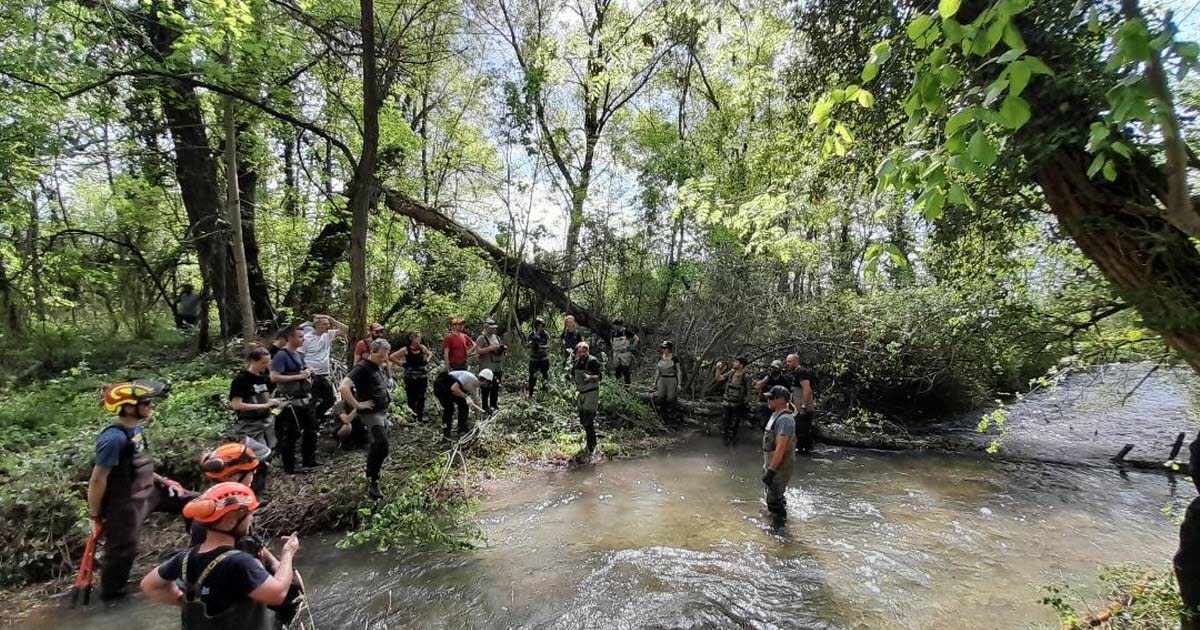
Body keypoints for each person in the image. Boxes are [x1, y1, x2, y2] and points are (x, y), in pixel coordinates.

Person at [88, 380, 195, 603]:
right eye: (146, 402)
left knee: (197, 504)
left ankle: (200, 560)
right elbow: (98, 480)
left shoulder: (136, 429)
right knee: (122, 552)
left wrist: (164, 480)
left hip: (150, 491)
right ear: (128, 407)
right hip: (125, 503)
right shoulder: (112, 439)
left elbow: (139, 463)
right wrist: (95, 514)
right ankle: (113, 601)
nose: (150, 406)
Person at [140, 483, 300, 629]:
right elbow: (278, 594)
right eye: (249, 515)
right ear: (230, 521)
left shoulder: (183, 558)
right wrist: (288, 553)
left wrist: (182, 601)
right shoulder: (239, 562)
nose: (251, 519)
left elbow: (148, 585)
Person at [192, 446, 306, 625]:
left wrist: (275, 563)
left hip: (240, 577)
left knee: (293, 593)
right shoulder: (220, 522)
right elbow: (274, 592)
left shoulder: (223, 506)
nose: (254, 475)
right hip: (234, 596)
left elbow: (252, 542)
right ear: (233, 476)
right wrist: (287, 556)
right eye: (251, 471)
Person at [341, 338, 392, 499]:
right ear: (372, 352)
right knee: (382, 444)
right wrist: (357, 405)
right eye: (381, 356)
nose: (384, 359)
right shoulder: (362, 367)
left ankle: (374, 474)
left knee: (378, 446)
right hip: (371, 414)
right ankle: (372, 480)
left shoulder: (377, 366)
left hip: (382, 411)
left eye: (386, 356)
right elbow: (343, 387)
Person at [269, 325, 320, 474]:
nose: (303, 339)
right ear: (290, 337)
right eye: (300, 337)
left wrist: (308, 372)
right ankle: (289, 467)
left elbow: (303, 371)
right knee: (291, 434)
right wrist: (299, 376)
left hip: (304, 399)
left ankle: (308, 460)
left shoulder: (298, 354)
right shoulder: (281, 355)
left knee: (311, 430)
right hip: (289, 402)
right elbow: (274, 377)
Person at [229, 348, 281, 460]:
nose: (266, 366)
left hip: (267, 423)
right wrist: (263, 406)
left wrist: (272, 403)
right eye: (263, 363)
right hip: (250, 425)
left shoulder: (264, 378)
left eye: (268, 363)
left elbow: (267, 398)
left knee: (270, 453)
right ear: (253, 361)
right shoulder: (241, 379)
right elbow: (236, 405)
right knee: (259, 456)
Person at [299, 314, 347, 422]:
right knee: (312, 400)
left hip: (325, 373)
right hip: (311, 375)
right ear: (317, 325)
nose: (328, 326)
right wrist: (304, 372)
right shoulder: (306, 339)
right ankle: (310, 424)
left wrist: (332, 319)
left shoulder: (328, 335)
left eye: (328, 324)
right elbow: (300, 356)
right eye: (325, 324)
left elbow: (346, 330)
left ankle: (316, 416)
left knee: (330, 399)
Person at [761, 385, 797, 521]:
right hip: (771, 464)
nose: (768, 401)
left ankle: (780, 533)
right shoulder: (776, 414)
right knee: (774, 496)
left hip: (779, 467)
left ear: (781, 400)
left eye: (771, 398)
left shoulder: (785, 420)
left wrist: (771, 471)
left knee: (773, 501)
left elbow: (780, 448)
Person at [433, 368, 492, 440]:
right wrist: (466, 396)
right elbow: (454, 388)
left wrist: (478, 420)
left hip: (451, 389)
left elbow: (477, 404)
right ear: (486, 382)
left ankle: (462, 428)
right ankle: (446, 433)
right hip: (442, 385)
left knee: (464, 405)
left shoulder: (475, 389)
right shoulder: (468, 376)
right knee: (449, 408)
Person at [391, 331, 432, 423]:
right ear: (412, 339)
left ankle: (420, 416)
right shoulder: (406, 349)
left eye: (420, 337)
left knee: (422, 396)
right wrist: (402, 364)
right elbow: (392, 356)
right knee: (411, 397)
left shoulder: (422, 347)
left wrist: (427, 361)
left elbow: (430, 353)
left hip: (422, 376)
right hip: (410, 377)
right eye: (417, 337)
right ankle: (412, 416)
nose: (419, 339)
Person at [571, 342, 603, 454]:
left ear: (588, 351)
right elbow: (572, 376)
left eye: (584, 351)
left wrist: (590, 377)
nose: (582, 354)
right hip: (581, 394)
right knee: (583, 420)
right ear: (577, 353)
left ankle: (591, 446)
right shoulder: (576, 362)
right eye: (580, 352)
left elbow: (600, 377)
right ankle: (590, 444)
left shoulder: (593, 361)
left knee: (589, 419)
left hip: (592, 393)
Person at [784, 354, 816, 454]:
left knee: (801, 432)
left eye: (789, 361)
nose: (787, 364)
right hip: (798, 409)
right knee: (802, 432)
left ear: (795, 361)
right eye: (787, 362)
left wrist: (804, 407)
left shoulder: (801, 372)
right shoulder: (796, 373)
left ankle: (804, 454)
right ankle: (806, 452)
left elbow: (807, 390)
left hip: (804, 409)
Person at [714, 357, 750, 444]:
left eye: (736, 362)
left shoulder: (746, 376)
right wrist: (718, 369)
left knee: (734, 425)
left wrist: (746, 401)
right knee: (725, 423)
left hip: (738, 404)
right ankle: (725, 443)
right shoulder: (731, 372)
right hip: (727, 402)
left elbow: (749, 390)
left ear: (741, 365)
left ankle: (733, 442)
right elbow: (719, 378)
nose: (733, 363)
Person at [475, 320, 506, 413]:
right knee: (485, 388)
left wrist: (502, 348)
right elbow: (478, 351)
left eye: (494, 328)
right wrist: (489, 348)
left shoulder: (496, 337)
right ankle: (485, 406)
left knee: (496, 386)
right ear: (486, 327)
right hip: (486, 366)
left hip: (497, 365)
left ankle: (494, 404)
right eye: (491, 328)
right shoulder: (481, 338)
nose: (493, 330)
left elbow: (499, 347)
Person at [653, 341, 683, 425]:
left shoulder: (674, 358)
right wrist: (654, 382)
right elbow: (657, 371)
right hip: (662, 378)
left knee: (670, 398)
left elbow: (679, 371)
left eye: (665, 348)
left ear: (669, 349)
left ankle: (671, 418)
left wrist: (679, 384)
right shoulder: (660, 358)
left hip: (671, 379)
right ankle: (662, 416)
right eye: (662, 348)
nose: (663, 350)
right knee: (660, 396)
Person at [755, 360, 789, 427]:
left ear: (779, 369)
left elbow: (787, 394)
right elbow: (757, 387)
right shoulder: (765, 375)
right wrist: (764, 381)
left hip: (777, 405)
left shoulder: (784, 380)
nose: (772, 369)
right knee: (763, 423)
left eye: (775, 368)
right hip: (764, 402)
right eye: (772, 367)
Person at [609, 319, 639, 385]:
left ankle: (627, 387)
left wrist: (631, 347)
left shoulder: (626, 332)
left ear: (619, 325)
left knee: (626, 371)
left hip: (625, 354)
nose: (614, 327)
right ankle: (619, 387)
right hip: (616, 354)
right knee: (617, 371)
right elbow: (611, 341)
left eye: (615, 325)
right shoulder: (613, 333)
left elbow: (636, 339)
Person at [527, 318, 551, 395]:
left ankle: (545, 393)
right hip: (534, 359)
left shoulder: (545, 334)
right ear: (537, 326)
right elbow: (527, 345)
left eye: (543, 326)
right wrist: (532, 344)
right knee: (532, 376)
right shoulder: (531, 334)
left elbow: (548, 345)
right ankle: (530, 394)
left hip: (543, 358)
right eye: (540, 326)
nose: (542, 327)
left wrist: (540, 346)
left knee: (545, 375)